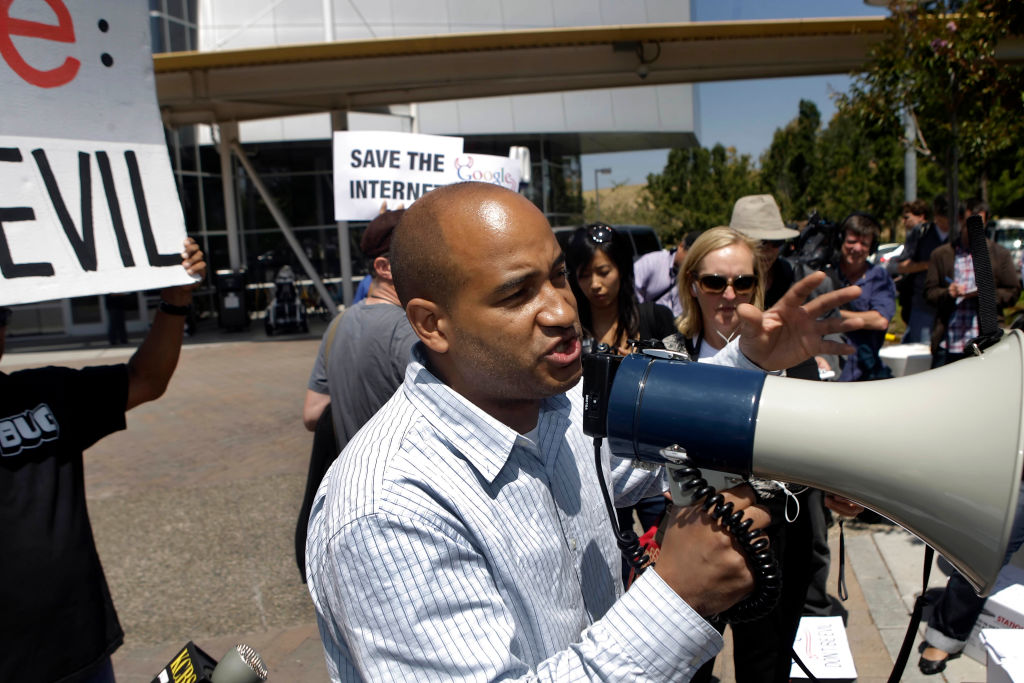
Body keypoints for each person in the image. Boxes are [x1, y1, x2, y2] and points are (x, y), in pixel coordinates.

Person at [306, 181, 865, 681]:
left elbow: (651, 439)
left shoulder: (555, 404)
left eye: (556, 277)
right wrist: (677, 598)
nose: (561, 310)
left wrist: (750, 360)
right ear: (432, 323)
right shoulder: (387, 510)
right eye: (515, 294)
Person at [0, 238, 205, 683]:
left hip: (79, 650)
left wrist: (175, 302)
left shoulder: (42, 393)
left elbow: (146, 380)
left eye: (0, 317)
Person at [297, 209, 418, 580]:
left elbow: (313, 414)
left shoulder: (338, 324)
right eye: (418, 254)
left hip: (355, 508)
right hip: (409, 510)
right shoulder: (409, 331)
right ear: (384, 267)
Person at [565, 223, 678, 584]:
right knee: (617, 568)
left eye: (604, 271)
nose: (595, 285)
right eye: (584, 275)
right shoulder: (569, 331)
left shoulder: (654, 318)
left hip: (657, 466)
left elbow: (682, 387)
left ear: (623, 269)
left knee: (671, 560)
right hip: (600, 470)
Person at [923, 213, 1020, 368]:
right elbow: (929, 293)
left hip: (985, 342)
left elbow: (1013, 292)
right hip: (948, 342)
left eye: (977, 223)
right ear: (960, 222)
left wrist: (985, 295)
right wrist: (948, 293)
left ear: (986, 222)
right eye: (966, 222)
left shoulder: (999, 254)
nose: (970, 228)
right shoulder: (941, 254)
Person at [828, 213, 896, 382]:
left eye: (864, 243)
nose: (857, 248)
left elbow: (880, 320)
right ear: (841, 241)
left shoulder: (879, 277)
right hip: (828, 369)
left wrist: (833, 314)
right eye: (852, 241)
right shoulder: (826, 273)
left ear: (872, 247)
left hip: (862, 373)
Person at [895, 197, 949, 344]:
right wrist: (929, 265)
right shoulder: (922, 233)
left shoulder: (958, 233)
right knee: (920, 353)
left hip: (952, 307)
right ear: (936, 214)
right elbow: (902, 266)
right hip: (923, 305)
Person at [632, 231, 699, 316]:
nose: (691, 264)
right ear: (681, 247)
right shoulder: (652, 261)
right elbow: (630, 287)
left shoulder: (694, 276)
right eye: (690, 258)